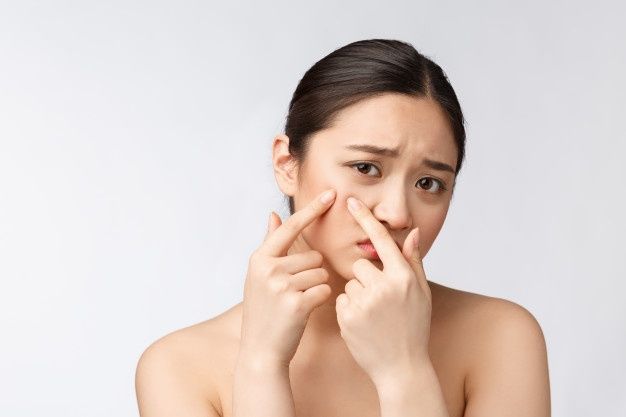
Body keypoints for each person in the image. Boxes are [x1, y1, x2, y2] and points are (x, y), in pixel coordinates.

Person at [135, 38, 551, 417]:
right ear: (287, 164)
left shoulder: (500, 339)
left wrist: (404, 372)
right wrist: (261, 365)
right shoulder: (179, 367)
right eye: (366, 168)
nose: (396, 214)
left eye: (428, 183)